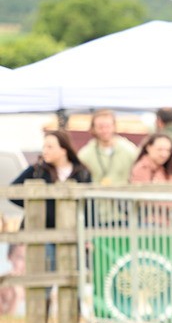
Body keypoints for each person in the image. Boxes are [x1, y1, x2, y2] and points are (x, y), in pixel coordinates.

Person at [11, 130, 92, 273]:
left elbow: (89, 205)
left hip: (72, 233)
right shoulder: (36, 170)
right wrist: (35, 207)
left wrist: (87, 235)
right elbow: (13, 192)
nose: (45, 151)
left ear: (63, 149)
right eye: (44, 147)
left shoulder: (82, 172)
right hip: (41, 232)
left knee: (73, 276)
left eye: (50, 147)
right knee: (42, 277)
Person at [77, 109, 138, 186]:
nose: (104, 130)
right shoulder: (85, 154)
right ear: (93, 128)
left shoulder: (129, 150)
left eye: (108, 126)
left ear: (114, 126)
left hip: (123, 196)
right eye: (100, 127)